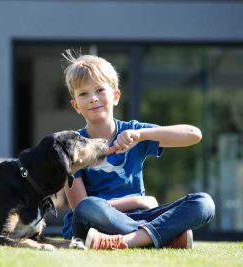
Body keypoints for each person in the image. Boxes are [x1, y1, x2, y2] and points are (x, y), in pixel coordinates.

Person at [60, 50, 215, 250]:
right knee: (89, 207)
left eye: (100, 90)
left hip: (137, 217)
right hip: (93, 221)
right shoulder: (72, 146)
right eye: (83, 94)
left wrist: (142, 135)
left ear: (115, 96)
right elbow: (80, 206)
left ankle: (127, 241)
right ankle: (162, 236)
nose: (93, 98)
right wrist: (138, 200)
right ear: (76, 106)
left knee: (204, 203)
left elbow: (194, 134)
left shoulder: (135, 132)